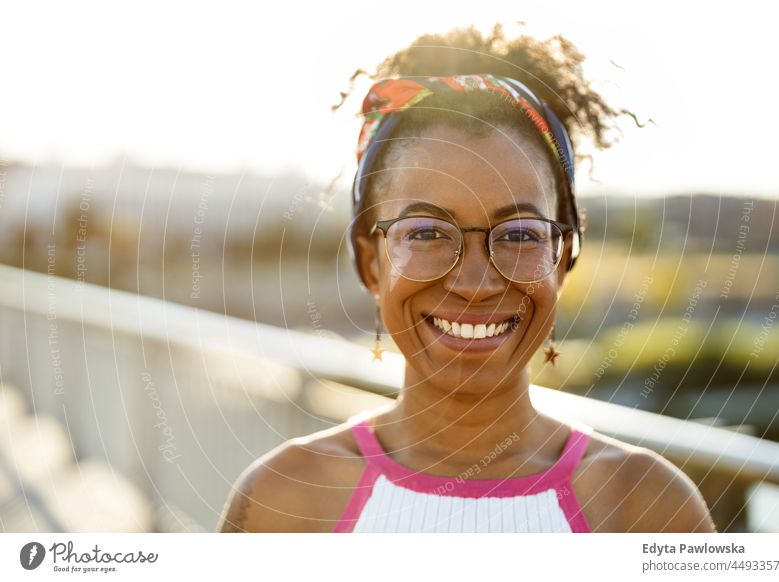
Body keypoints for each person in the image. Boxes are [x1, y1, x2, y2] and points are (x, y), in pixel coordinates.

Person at [217, 25, 716, 533]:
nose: (475, 282)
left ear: (563, 257)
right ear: (371, 262)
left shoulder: (646, 504)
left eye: (520, 235)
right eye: (428, 232)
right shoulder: (286, 498)